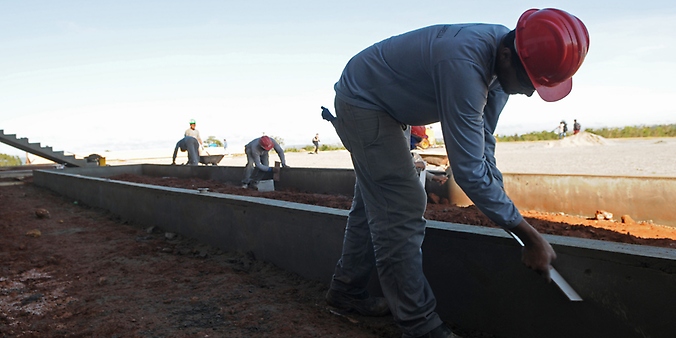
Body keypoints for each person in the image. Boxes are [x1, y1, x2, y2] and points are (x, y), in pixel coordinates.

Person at [323, 8, 589, 338]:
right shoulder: (465, 66)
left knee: (375, 204)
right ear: (507, 56)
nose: (531, 92)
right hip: (364, 100)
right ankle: (421, 326)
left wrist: (503, 202)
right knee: (402, 204)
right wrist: (526, 232)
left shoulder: (506, 60)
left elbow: (482, 145)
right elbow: (467, 169)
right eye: (529, 83)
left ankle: (346, 292)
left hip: (387, 104)